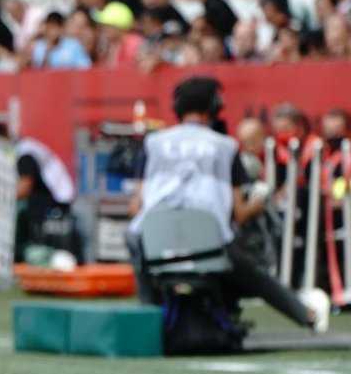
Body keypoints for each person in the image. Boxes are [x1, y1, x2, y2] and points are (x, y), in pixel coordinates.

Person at [128, 78, 328, 332]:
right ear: (213, 107)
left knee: (134, 238)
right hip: (209, 248)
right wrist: (260, 200)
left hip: (155, 248)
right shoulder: (225, 147)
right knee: (251, 272)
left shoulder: (152, 144)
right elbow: (239, 214)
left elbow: (136, 208)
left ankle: (148, 313)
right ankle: (306, 315)